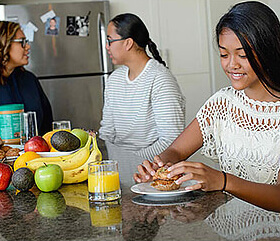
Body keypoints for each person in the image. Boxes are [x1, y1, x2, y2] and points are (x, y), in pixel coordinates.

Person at [134, 1, 280, 212]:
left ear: (267, 49)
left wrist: (222, 181)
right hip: (232, 228)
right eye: (224, 54)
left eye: (242, 54)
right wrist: (160, 166)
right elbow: (176, 150)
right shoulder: (221, 103)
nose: (232, 65)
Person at [99, 13, 185, 161]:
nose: (106, 47)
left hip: (151, 172)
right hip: (117, 170)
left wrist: (131, 160)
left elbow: (171, 141)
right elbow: (107, 132)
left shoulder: (160, 79)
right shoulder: (114, 80)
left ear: (128, 43)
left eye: (110, 41)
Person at [0, 21, 53, 136]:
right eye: (22, 42)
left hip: (35, 152)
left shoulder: (29, 79)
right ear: (4, 44)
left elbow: (47, 123)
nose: (28, 46)